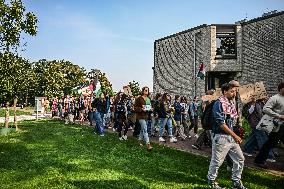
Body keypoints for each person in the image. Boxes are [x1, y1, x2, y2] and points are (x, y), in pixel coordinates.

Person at [207, 83, 246, 189]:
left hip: (231, 137)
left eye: (235, 91)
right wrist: (235, 135)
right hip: (221, 137)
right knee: (217, 161)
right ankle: (211, 181)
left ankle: (236, 181)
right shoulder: (219, 103)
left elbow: (232, 120)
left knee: (240, 158)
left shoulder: (229, 103)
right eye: (232, 91)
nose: (235, 93)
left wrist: (237, 131)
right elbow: (220, 123)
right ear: (225, 92)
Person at [254, 82, 284, 168]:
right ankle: (259, 161)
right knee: (270, 143)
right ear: (281, 88)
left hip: (282, 125)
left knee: (270, 143)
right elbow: (265, 109)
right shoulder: (275, 98)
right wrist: (279, 116)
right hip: (276, 125)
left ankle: (259, 160)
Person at [134, 86, 153, 151]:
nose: (146, 91)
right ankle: (148, 144)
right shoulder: (139, 98)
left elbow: (149, 106)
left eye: (147, 90)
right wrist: (141, 109)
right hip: (140, 116)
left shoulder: (148, 98)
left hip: (147, 116)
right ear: (142, 91)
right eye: (145, 90)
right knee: (145, 129)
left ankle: (139, 142)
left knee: (142, 130)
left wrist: (151, 109)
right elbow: (135, 108)